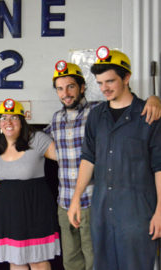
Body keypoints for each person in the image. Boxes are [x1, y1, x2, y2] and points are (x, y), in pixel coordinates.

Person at [45, 60, 161, 270]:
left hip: (133, 212)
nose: (104, 88)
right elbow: (88, 158)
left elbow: (159, 166)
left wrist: (155, 99)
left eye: (110, 81)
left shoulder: (144, 114)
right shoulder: (89, 116)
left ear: (126, 78)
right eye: (100, 83)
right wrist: (75, 198)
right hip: (97, 209)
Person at [0, 98, 60, 270]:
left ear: (22, 122)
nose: (8, 122)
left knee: (37, 261)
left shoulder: (36, 139)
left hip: (35, 209)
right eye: (4, 117)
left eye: (14, 117)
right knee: (16, 260)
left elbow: (67, 159)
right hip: (7, 211)